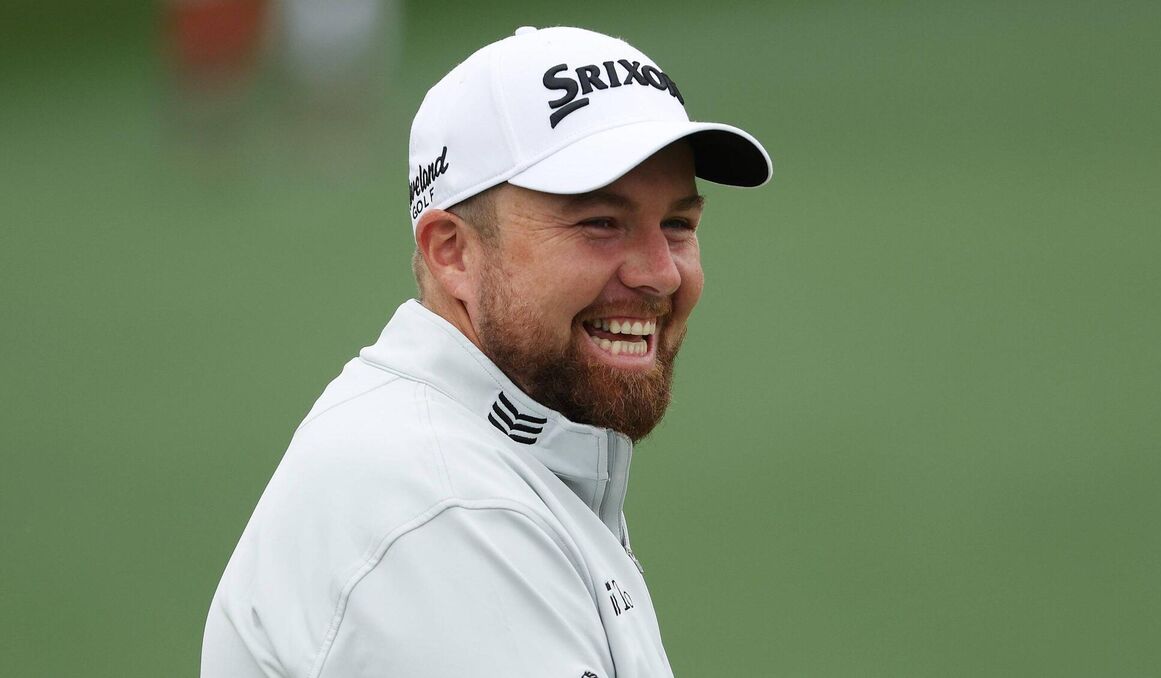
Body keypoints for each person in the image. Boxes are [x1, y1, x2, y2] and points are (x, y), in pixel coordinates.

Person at [201, 25, 772, 678]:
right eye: (599, 224)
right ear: (453, 253)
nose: (660, 274)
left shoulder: (506, 451)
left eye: (677, 225)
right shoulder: (443, 513)